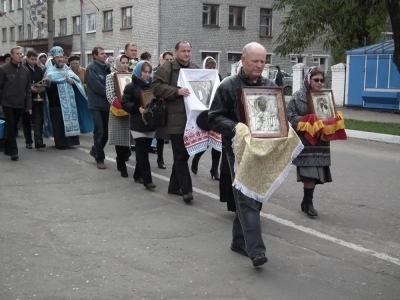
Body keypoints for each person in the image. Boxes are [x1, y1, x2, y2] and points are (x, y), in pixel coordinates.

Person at [208, 42, 276, 267]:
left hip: (264, 149)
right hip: (236, 149)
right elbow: (214, 117)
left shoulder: (269, 85)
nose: (259, 65)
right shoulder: (228, 86)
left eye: (262, 61)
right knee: (247, 196)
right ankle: (256, 250)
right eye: (255, 61)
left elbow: (276, 115)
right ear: (243, 60)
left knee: (256, 193)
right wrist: (237, 128)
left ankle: (239, 240)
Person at [151, 41, 199, 203]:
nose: (186, 54)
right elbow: (156, 88)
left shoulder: (195, 68)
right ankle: (187, 190)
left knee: (184, 154)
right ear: (176, 52)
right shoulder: (168, 68)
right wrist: (176, 91)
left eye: (188, 50)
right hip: (175, 118)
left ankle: (173, 186)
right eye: (183, 51)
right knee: (180, 155)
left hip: (192, 118)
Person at [286, 67, 332, 217]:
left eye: (321, 80)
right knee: (310, 174)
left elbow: (328, 114)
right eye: (316, 80)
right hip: (305, 142)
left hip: (321, 142)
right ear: (308, 79)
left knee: (316, 175)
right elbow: (289, 116)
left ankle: (306, 202)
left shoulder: (325, 96)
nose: (319, 83)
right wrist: (306, 120)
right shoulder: (298, 97)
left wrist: (333, 120)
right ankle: (309, 204)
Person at [43, 46, 92, 150]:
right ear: (54, 59)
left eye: (62, 57)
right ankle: (60, 143)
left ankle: (71, 142)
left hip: (69, 102)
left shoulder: (68, 70)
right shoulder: (49, 71)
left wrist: (73, 82)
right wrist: (47, 82)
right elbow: (44, 86)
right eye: (58, 58)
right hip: (55, 102)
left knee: (70, 120)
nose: (60, 59)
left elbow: (78, 82)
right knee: (58, 123)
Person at [121, 60, 156, 190]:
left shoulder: (152, 86)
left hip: (150, 123)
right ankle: (148, 180)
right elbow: (124, 103)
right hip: (137, 123)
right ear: (138, 71)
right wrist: (138, 109)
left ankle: (137, 174)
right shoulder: (131, 86)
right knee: (142, 152)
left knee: (144, 150)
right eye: (144, 71)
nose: (146, 74)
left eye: (148, 72)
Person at [190, 56, 222, 180]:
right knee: (205, 142)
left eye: (214, 67)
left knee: (217, 143)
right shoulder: (200, 79)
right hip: (203, 114)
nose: (212, 69)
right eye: (209, 67)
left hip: (216, 113)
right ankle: (196, 158)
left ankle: (214, 170)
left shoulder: (219, 78)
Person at [0, 46, 32, 161]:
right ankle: (14, 151)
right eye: (17, 54)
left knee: (13, 127)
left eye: (21, 54)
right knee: (10, 125)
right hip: (7, 102)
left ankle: (6, 146)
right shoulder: (4, 69)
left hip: (20, 103)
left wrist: (29, 106)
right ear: (12, 55)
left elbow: (28, 89)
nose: (19, 56)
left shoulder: (25, 70)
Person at [106, 54, 131, 178]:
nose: (125, 65)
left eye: (127, 63)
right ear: (117, 63)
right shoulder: (111, 77)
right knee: (119, 139)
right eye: (123, 63)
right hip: (118, 110)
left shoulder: (130, 76)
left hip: (130, 111)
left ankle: (124, 157)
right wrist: (122, 105)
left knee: (128, 139)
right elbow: (110, 95)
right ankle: (121, 163)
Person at [86, 46, 109, 169]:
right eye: (102, 53)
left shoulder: (107, 68)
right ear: (95, 55)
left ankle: (95, 149)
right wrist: (110, 93)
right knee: (99, 131)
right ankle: (100, 158)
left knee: (106, 133)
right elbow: (96, 86)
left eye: (105, 53)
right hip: (95, 104)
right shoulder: (91, 68)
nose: (104, 55)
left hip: (106, 105)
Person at [21, 50, 46, 150]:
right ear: (27, 58)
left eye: (36, 59)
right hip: (26, 99)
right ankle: (28, 141)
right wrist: (29, 88)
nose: (34, 61)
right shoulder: (23, 69)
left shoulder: (39, 69)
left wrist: (41, 85)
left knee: (38, 120)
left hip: (37, 98)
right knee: (26, 120)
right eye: (32, 59)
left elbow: (40, 81)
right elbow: (21, 83)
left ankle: (38, 141)